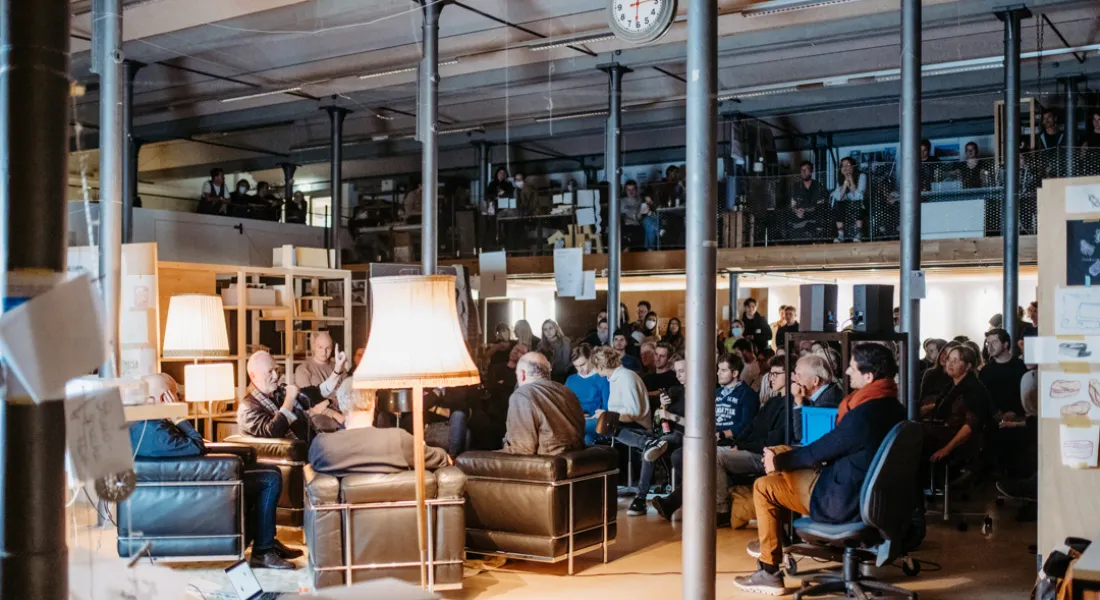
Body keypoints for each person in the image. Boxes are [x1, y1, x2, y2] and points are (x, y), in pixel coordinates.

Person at [734, 344, 905, 595]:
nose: (846, 372)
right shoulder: (895, 407)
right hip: (874, 497)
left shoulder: (863, 414)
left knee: (764, 486)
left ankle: (770, 569)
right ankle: (774, 543)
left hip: (843, 500)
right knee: (778, 460)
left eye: (853, 367)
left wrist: (779, 463)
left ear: (869, 377)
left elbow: (823, 449)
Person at [129, 374, 299, 570]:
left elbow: (192, 446)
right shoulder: (155, 434)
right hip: (200, 486)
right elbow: (195, 446)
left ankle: (266, 539)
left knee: (268, 470)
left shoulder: (146, 424)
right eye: (175, 397)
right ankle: (263, 550)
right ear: (164, 398)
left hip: (198, 479)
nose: (179, 401)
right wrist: (179, 418)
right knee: (270, 478)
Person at [309, 380, 450, 477]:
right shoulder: (399, 439)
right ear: (374, 402)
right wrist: (420, 446)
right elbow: (444, 460)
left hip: (343, 520)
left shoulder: (322, 445)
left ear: (340, 405)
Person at [631, 354, 688, 517]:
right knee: (625, 432)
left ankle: (640, 498)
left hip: (683, 435)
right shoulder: (675, 391)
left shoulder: (700, 393)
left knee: (654, 446)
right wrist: (665, 406)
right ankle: (651, 443)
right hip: (668, 432)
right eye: (676, 371)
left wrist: (670, 415)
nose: (678, 376)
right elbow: (663, 417)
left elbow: (696, 425)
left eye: (682, 371)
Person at [238, 351, 334, 441]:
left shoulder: (277, 392)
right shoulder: (247, 407)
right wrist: (290, 398)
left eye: (276, 370)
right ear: (253, 376)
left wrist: (336, 372)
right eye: (270, 372)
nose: (276, 376)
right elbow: (273, 432)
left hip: (313, 443)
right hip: (296, 455)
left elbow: (311, 395)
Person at [501, 352, 585, 455]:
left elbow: (522, 449)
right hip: (574, 461)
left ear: (522, 374)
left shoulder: (522, 394)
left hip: (544, 464)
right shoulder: (567, 391)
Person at [924, 345, 994, 469]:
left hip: (963, 445)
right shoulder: (952, 384)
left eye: (956, 360)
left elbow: (970, 426)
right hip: (944, 434)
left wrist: (946, 449)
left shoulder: (973, 389)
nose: (950, 363)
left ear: (968, 366)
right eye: (949, 359)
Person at [791, 354, 843, 442]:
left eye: (798, 375)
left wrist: (798, 400)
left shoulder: (828, 402)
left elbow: (802, 435)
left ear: (815, 381)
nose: (794, 379)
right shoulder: (825, 393)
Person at [566, 344, 611, 444]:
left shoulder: (602, 378)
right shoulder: (571, 380)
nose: (580, 370)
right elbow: (565, 405)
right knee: (586, 439)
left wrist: (593, 416)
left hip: (596, 420)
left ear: (591, 358)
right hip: (577, 419)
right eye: (576, 366)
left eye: (582, 365)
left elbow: (607, 407)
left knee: (573, 429)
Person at [979, 328, 1029, 418]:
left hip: (1020, 421)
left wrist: (1017, 413)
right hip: (994, 423)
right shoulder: (985, 371)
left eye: (994, 342)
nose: (990, 347)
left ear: (1005, 344)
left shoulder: (1021, 367)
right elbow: (982, 399)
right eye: (988, 343)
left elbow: (1028, 396)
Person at [716, 353, 760, 440]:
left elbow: (747, 424)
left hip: (732, 443)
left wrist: (722, 434)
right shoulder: (717, 392)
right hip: (712, 442)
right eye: (718, 369)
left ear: (735, 373)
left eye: (723, 370)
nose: (718, 373)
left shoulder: (748, 394)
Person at [293, 331, 347, 398]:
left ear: (332, 348)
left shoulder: (341, 368)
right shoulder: (303, 369)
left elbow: (348, 395)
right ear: (313, 347)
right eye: (320, 347)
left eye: (328, 348)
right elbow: (309, 400)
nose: (324, 352)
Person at [830, 157, 867, 243]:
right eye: (843, 165)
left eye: (848, 165)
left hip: (860, 204)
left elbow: (859, 196)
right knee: (838, 204)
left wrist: (851, 179)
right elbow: (838, 197)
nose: (846, 167)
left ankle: (858, 233)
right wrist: (845, 182)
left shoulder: (861, 176)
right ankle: (841, 235)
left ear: (853, 166)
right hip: (846, 206)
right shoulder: (840, 178)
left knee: (858, 203)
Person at [789, 161, 827, 241]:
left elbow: (821, 204)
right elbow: (792, 204)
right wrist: (796, 211)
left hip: (815, 217)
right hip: (799, 217)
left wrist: (805, 210)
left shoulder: (818, 186)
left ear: (811, 171)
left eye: (806, 169)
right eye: (802, 170)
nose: (803, 172)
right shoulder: (795, 187)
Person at [537, 319, 572, 383]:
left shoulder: (565, 342)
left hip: (562, 375)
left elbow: (565, 364)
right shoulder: (541, 344)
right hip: (545, 376)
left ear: (556, 328)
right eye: (545, 329)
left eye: (550, 328)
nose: (548, 331)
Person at [621, 180, 644, 248]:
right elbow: (622, 216)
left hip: (638, 226)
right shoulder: (621, 201)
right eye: (628, 190)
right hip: (626, 226)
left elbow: (641, 216)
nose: (631, 192)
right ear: (625, 190)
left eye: (633, 190)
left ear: (636, 190)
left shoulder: (640, 200)